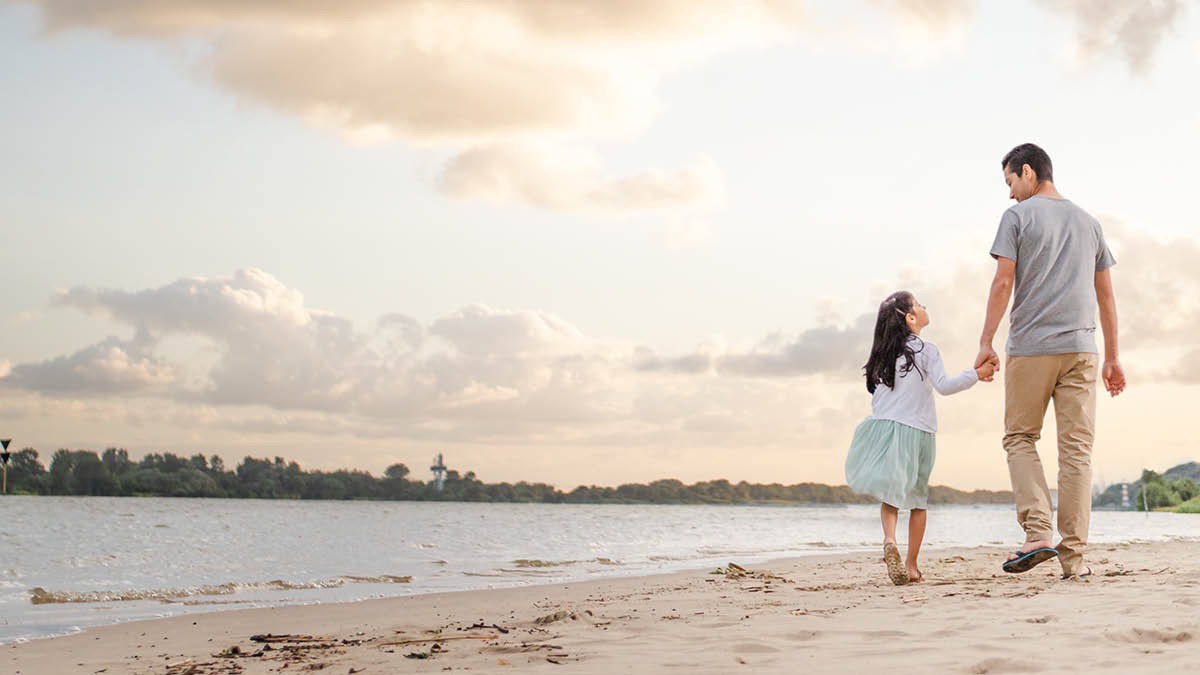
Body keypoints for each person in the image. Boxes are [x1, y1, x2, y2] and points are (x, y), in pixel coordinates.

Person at [976, 142, 1125, 580]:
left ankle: (1038, 531)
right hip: (1082, 350)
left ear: (1028, 171)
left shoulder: (1017, 218)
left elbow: (1003, 283)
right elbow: (1107, 295)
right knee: (1077, 453)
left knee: (1020, 437)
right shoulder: (1090, 222)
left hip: (1031, 348)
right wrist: (1113, 357)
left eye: (1010, 182)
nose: (1009, 194)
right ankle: (1074, 562)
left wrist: (985, 341)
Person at [846, 291, 995, 586]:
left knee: (891, 496)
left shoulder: (882, 355)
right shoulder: (926, 350)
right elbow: (945, 385)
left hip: (885, 429)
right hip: (919, 431)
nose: (925, 307)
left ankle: (889, 539)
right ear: (911, 318)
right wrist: (977, 373)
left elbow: (879, 398)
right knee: (917, 500)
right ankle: (912, 566)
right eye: (919, 305)